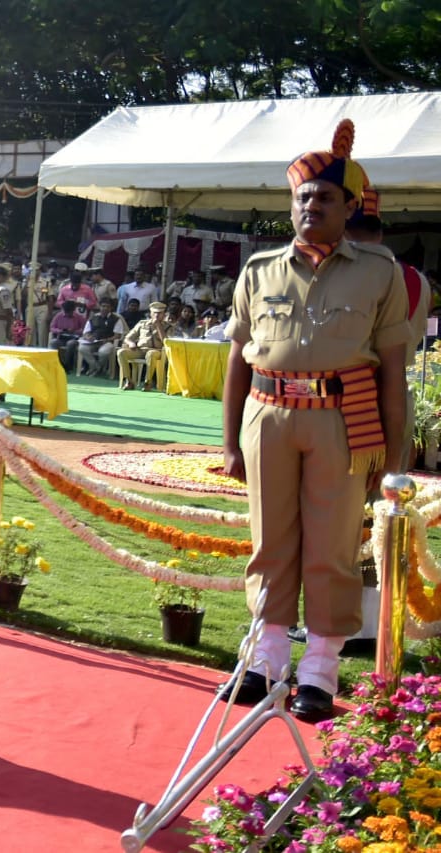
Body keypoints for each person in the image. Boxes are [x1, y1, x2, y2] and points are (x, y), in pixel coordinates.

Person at [220, 119, 409, 723]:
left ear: (350, 206)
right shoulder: (258, 270)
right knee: (270, 540)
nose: (311, 206)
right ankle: (264, 659)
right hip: (268, 415)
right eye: (303, 197)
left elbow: (393, 372)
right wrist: (230, 441)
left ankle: (320, 670)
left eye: (325, 197)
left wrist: (397, 462)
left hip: (341, 419)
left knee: (330, 546)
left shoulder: (380, 273)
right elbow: (237, 362)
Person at [345, 185, 430, 472]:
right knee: (389, 494)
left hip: (349, 398)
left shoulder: (340, 275)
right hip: (398, 394)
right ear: (380, 231)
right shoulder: (418, 279)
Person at [117, 301, 170, 391]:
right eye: (155, 313)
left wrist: (158, 326)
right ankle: (128, 380)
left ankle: (147, 382)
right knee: (121, 352)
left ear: (164, 314)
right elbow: (128, 337)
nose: (157, 315)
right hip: (140, 350)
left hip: (157, 351)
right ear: (151, 313)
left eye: (159, 313)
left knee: (151, 354)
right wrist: (131, 343)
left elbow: (166, 342)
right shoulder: (142, 324)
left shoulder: (168, 326)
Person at [77, 297, 127, 376]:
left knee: (103, 352)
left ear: (111, 308)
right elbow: (86, 332)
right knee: (82, 348)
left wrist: (107, 340)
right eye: (103, 306)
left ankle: (95, 369)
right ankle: (97, 368)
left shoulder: (116, 319)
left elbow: (117, 335)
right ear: (100, 307)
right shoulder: (93, 318)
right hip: (93, 341)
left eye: (107, 306)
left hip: (108, 342)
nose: (105, 308)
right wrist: (88, 337)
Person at [49, 299, 86, 371]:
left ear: (73, 310)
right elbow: (52, 327)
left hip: (73, 337)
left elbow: (85, 329)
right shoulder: (58, 316)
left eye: (69, 312)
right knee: (53, 342)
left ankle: (68, 365)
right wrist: (60, 331)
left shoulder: (78, 317)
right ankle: (58, 363)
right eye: (66, 312)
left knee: (70, 344)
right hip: (61, 337)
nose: (67, 314)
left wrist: (75, 331)